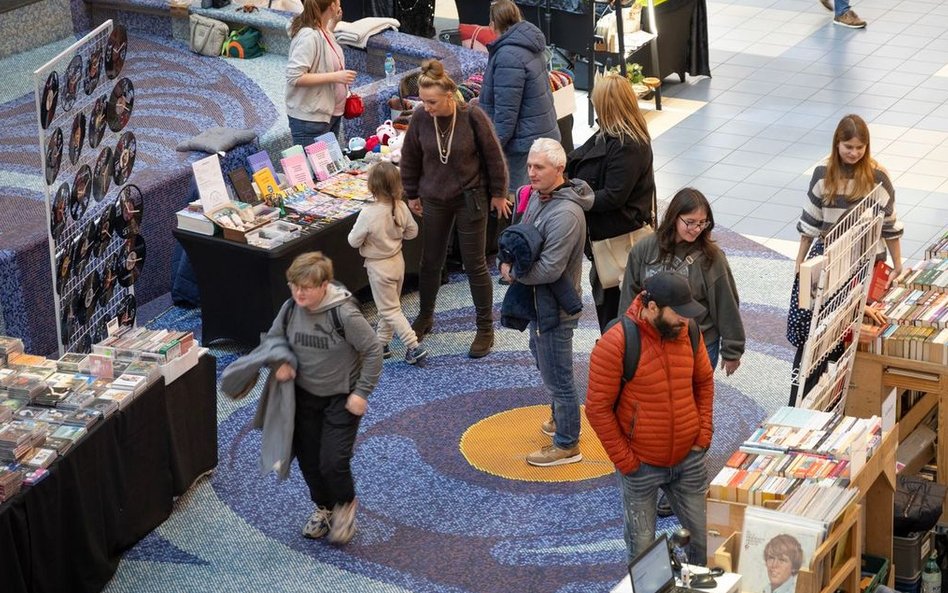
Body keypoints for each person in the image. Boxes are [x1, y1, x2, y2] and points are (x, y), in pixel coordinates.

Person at [586, 271, 714, 565]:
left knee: (706, 542)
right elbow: (597, 408)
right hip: (640, 466)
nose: (685, 321)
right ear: (652, 307)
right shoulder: (616, 342)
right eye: (678, 314)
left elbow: (704, 382)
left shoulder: (688, 331)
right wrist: (627, 462)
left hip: (688, 459)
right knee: (644, 556)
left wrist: (702, 434)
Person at [267, 252, 382, 544]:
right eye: (294, 286)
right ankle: (325, 507)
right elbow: (274, 339)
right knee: (308, 460)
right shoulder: (291, 308)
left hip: (342, 398)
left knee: (333, 461)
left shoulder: (343, 314)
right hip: (305, 397)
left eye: (306, 287)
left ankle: (345, 505)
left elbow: (373, 350)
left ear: (324, 285)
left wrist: (362, 392)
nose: (298, 293)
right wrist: (280, 361)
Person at [399, 59, 510, 358]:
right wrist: (412, 193)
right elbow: (409, 157)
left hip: (469, 197)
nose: (427, 106)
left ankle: (485, 328)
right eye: (423, 101)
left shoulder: (472, 115)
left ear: (449, 95)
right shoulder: (421, 118)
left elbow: (493, 157)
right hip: (434, 198)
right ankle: (425, 315)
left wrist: (499, 193)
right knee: (430, 261)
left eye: (432, 101)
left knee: (475, 265)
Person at [790, 113, 903, 403]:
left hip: (867, 265)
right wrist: (799, 265)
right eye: (848, 146)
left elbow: (890, 226)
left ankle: (850, 393)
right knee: (825, 330)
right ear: (836, 144)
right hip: (830, 266)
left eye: (859, 148)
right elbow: (809, 225)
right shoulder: (822, 174)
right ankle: (816, 393)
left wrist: (898, 265)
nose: (853, 153)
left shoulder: (878, 177)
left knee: (857, 330)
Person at [499, 138, 593, 466]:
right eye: (529, 166)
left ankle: (567, 443)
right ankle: (559, 417)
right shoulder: (542, 197)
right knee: (542, 358)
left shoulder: (566, 213)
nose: (531, 173)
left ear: (559, 169)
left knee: (559, 376)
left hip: (555, 306)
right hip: (540, 303)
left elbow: (551, 268)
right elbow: (524, 233)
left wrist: (513, 273)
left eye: (539, 167)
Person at [618, 188, 744, 375]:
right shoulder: (644, 249)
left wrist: (732, 350)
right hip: (652, 340)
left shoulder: (712, 257)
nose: (696, 229)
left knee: (692, 400)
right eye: (690, 222)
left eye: (702, 223)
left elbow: (726, 302)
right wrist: (623, 336)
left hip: (697, 342)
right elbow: (630, 295)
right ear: (674, 217)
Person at [567, 72, 656, 332]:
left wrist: (577, 197)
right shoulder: (616, 135)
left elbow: (615, 194)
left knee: (618, 310)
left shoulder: (628, 144)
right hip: (611, 239)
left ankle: (617, 358)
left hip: (617, 242)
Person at [347, 161, 427, 365]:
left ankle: (413, 346)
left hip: (378, 267)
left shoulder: (368, 213)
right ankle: (381, 344)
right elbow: (413, 232)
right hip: (397, 262)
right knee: (389, 306)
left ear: (372, 187)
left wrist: (371, 240)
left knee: (390, 310)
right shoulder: (400, 206)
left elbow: (353, 241)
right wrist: (395, 238)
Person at [478, 0, 560, 194]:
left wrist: (489, 150)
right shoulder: (529, 43)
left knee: (520, 202)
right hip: (541, 134)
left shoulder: (508, 55)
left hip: (523, 147)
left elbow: (506, 116)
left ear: (492, 24)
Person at [285, 0, 356, 147]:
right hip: (310, 119)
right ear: (332, 6)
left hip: (328, 114)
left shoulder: (322, 29)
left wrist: (333, 23)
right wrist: (336, 77)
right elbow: (294, 76)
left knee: (329, 168)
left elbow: (323, 44)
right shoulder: (308, 37)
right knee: (314, 169)